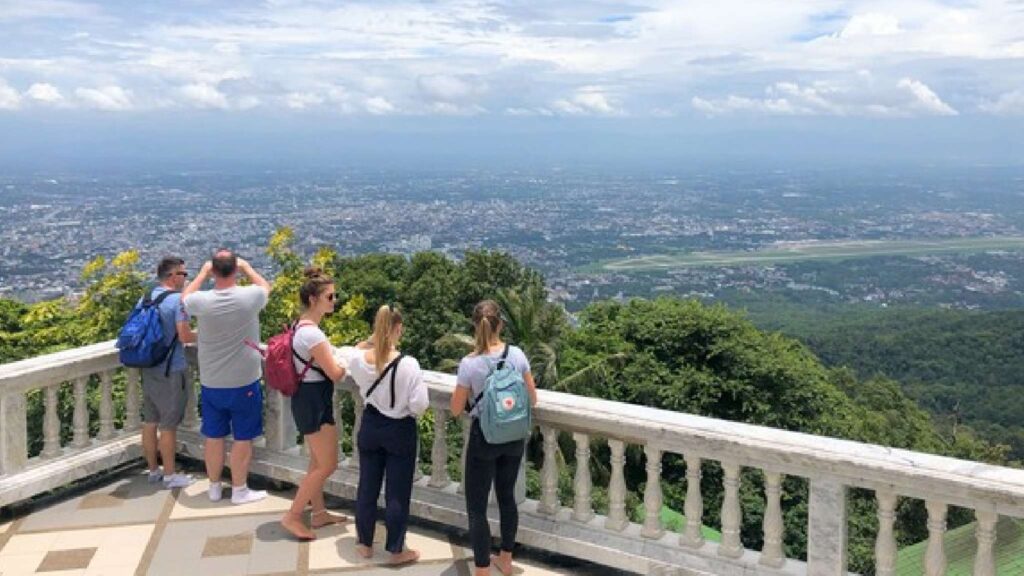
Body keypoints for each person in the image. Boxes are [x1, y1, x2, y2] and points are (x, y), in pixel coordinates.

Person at [450, 300, 538, 576]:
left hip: (484, 438)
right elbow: (532, 398)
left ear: (475, 327)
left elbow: (455, 408)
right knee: (506, 498)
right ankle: (507, 559)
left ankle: (482, 570)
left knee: (476, 506)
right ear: (500, 324)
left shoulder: (470, 363)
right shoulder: (517, 355)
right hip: (513, 437)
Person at [182, 249, 272, 505]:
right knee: (243, 437)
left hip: (211, 381)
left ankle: (213, 486)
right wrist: (248, 268)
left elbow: (185, 298)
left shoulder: (202, 301)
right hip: (244, 380)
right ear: (235, 270)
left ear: (213, 271)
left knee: (214, 436)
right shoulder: (249, 297)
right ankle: (239, 489)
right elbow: (265, 286)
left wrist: (201, 274)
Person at [348, 305, 428, 565]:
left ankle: (364, 543)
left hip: (371, 425)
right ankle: (395, 548)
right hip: (399, 428)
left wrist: (372, 340)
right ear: (398, 329)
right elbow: (419, 404)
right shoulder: (409, 364)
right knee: (397, 491)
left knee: (367, 486)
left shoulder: (360, 361)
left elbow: (353, 353)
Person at [280, 268, 349, 540]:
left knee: (317, 460)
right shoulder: (314, 335)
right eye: (330, 297)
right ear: (313, 299)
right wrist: (343, 362)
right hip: (314, 398)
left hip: (307, 397)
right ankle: (293, 515)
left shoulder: (301, 326)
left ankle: (318, 514)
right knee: (327, 465)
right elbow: (334, 372)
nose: (334, 301)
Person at [141, 256, 196, 489]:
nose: (185, 278)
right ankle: (170, 475)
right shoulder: (178, 302)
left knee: (150, 421)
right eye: (183, 274)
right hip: (171, 368)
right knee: (169, 424)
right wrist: (202, 335)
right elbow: (184, 336)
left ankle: (153, 470)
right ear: (173, 276)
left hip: (149, 365)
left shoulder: (146, 296)